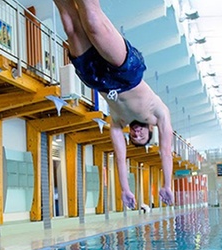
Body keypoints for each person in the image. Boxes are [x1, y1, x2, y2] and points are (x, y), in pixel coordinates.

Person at [54, 0, 174, 210]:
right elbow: (165, 152)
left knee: (70, 26)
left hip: (98, 79)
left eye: (133, 137)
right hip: (126, 74)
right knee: (92, 23)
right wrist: (166, 184)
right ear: (150, 130)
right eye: (142, 137)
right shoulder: (159, 114)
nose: (136, 135)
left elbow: (120, 158)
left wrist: (125, 189)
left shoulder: (118, 122)